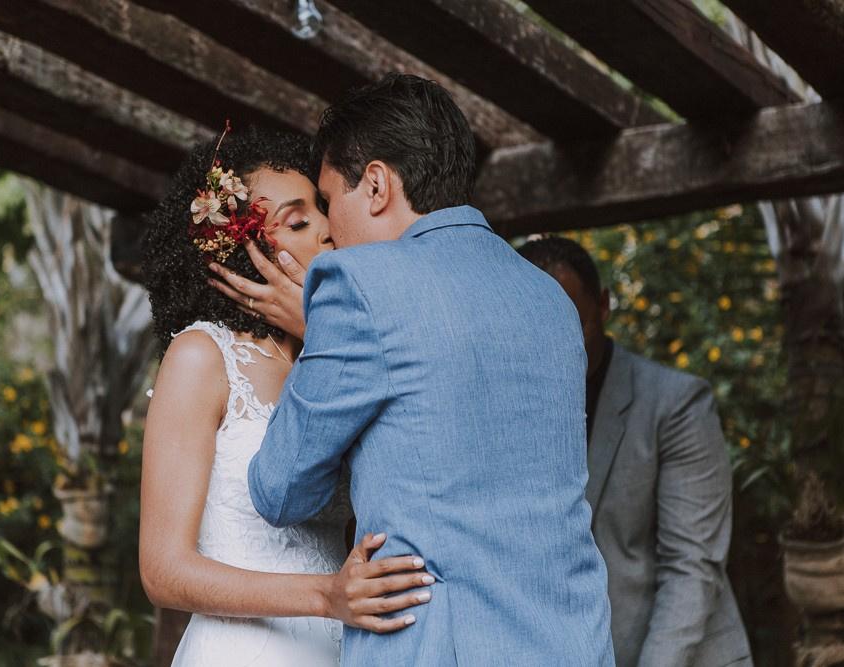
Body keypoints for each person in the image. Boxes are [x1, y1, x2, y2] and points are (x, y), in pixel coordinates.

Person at [215, 74, 614, 665]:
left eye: (330, 202)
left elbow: (280, 489)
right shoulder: (548, 298)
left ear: (376, 184)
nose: (331, 231)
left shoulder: (356, 286)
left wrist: (317, 330)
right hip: (573, 643)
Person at [139, 126, 431, 667]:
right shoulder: (203, 357)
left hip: (354, 648)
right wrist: (325, 596)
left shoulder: (343, 358)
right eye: (298, 221)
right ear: (239, 252)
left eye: (321, 209)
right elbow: (163, 571)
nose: (325, 229)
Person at [518, 236, 753, 667]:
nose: (558, 350)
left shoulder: (677, 404)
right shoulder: (509, 412)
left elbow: (691, 567)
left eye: (575, 327)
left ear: (604, 306)